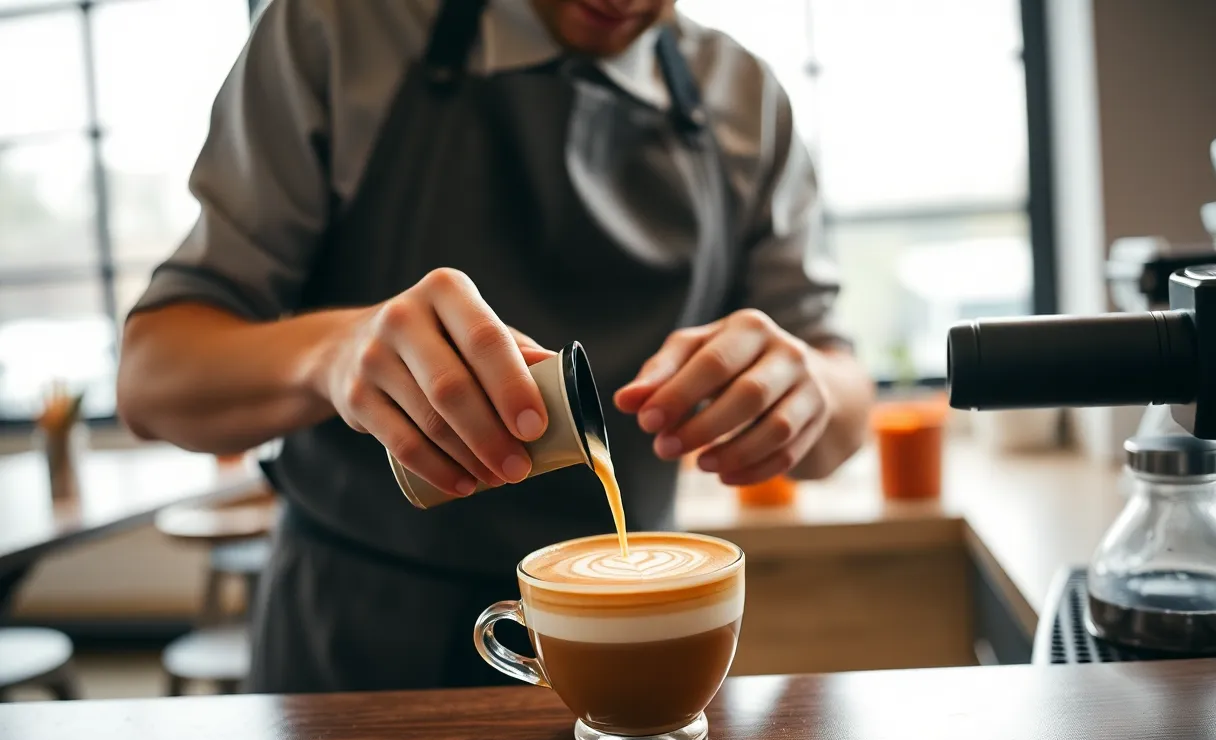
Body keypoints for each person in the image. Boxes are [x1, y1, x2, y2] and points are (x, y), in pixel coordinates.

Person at [116, 0, 874, 693]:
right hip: (355, 647)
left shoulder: (743, 97)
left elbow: (842, 401)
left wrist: (806, 390)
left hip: (623, 645)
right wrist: (332, 354)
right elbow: (150, 381)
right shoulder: (339, 27)